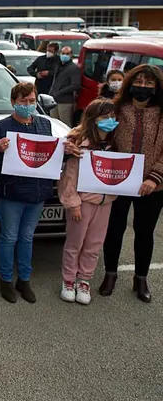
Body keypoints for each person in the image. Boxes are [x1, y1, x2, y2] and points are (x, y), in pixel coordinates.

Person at [0, 82, 79, 303]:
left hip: (38, 192)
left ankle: (24, 279)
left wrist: (67, 152)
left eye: (31, 100)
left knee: (27, 238)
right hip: (12, 192)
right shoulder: (1, 126)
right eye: (23, 101)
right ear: (13, 102)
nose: (28, 105)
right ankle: (5, 279)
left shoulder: (44, 124)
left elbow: (50, 155)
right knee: (9, 238)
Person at [100, 65, 163, 303]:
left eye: (149, 83)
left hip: (152, 185)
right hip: (119, 180)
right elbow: (96, 133)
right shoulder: (116, 108)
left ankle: (141, 278)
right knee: (114, 229)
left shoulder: (161, 113)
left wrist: (154, 177)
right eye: (139, 81)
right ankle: (110, 274)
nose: (143, 86)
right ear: (130, 83)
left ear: (156, 87)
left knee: (145, 232)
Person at [58, 98, 118, 305]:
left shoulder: (115, 144)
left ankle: (84, 280)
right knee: (75, 243)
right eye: (105, 117)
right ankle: (68, 280)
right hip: (82, 203)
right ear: (93, 119)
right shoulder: (79, 144)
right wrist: (73, 203)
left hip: (105, 202)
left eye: (113, 116)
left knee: (94, 244)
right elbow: (69, 177)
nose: (110, 120)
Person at [48, 46, 81, 127]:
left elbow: (76, 85)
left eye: (67, 54)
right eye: (63, 53)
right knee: (54, 122)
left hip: (65, 101)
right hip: (54, 99)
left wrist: (61, 91)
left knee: (64, 123)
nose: (65, 55)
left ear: (71, 55)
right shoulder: (58, 66)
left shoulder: (74, 68)